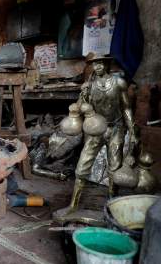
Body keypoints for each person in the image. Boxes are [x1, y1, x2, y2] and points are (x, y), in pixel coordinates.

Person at [55, 54, 138, 219]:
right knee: (82, 165)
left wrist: (132, 130)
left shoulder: (118, 83)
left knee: (114, 168)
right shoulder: (89, 85)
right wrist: (82, 97)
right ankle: (73, 205)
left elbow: (126, 108)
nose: (97, 67)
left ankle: (112, 204)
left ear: (107, 65)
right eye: (95, 64)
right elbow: (79, 109)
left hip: (116, 128)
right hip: (95, 130)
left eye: (100, 63)